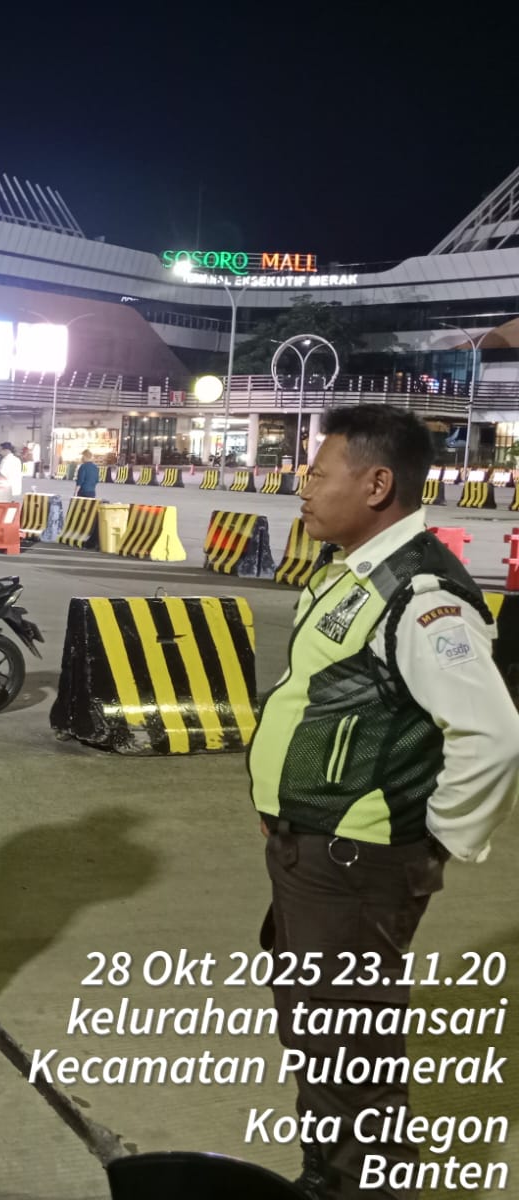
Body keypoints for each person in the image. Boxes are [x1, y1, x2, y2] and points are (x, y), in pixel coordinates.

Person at [248, 406, 519, 1200]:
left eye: (317, 473)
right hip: (317, 856)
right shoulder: (354, 572)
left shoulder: (423, 593)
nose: (303, 488)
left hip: (357, 865)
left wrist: (435, 843)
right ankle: (329, 1175)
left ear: (375, 484)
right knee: (322, 1038)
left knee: (351, 1056)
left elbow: (493, 734)